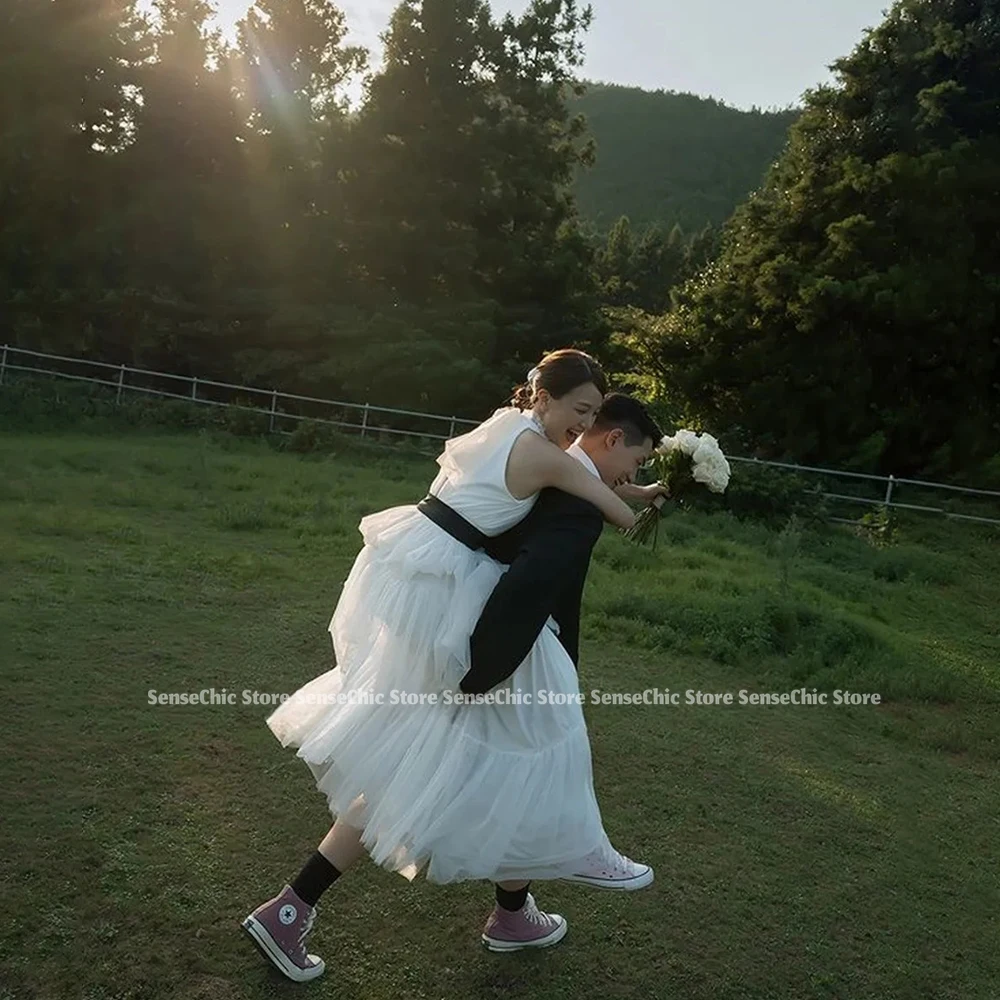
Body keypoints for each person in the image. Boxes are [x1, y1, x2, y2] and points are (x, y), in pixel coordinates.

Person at [241, 351, 651, 981]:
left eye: (594, 415)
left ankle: (509, 912)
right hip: (449, 597)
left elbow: (585, 475)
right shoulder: (546, 456)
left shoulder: (508, 425)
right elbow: (613, 510)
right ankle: (290, 913)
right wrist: (640, 497)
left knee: (440, 752)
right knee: (531, 734)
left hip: (416, 570)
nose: (584, 425)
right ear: (544, 397)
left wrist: (635, 481)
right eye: (581, 410)